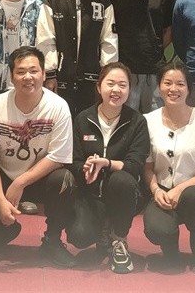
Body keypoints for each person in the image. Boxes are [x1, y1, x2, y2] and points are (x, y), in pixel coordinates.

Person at [0, 46, 77, 268]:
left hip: (40, 178)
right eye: (21, 71)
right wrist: (0, 200)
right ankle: (4, 228)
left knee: (65, 180)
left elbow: (58, 157)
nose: (28, 77)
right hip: (5, 176)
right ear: (11, 76)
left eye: (34, 71)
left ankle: (52, 240)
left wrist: (21, 182)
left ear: (43, 75)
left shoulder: (58, 106)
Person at [66, 62, 149, 274]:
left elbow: (135, 165)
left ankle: (119, 238)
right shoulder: (83, 119)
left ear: (129, 89)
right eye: (110, 84)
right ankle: (103, 230)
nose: (116, 90)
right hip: (90, 193)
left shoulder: (137, 121)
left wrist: (107, 163)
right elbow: (72, 160)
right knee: (79, 236)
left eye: (122, 85)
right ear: (98, 86)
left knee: (121, 179)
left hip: (124, 194)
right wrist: (84, 167)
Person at [142, 59, 195, 274]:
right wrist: (156, 190)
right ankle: (170, 247)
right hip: (162, 192)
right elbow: (147, 167)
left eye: (180, 84)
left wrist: (180, 189)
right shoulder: (147, 121)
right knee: (156, 230)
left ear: (189, 88)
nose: (173, 89)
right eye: (167, 83)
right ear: (159, 87)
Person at [36, 0, 118, 118]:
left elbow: (109, 39)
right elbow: (45, 38)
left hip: (93, 77)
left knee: (89, 123)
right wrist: (49, 74)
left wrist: (107, 75)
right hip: (61, 77)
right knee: (58, 121)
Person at [104, 0, 176, 113]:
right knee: (126, 120)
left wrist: (155, 48)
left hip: (154, 69)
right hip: (123, 70)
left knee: (156, 121)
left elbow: (169, 29)